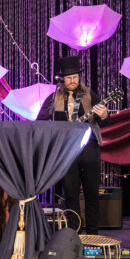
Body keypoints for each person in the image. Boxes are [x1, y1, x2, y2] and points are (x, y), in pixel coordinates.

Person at [37, 55, 110, 235]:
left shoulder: (90, 95)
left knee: (92, 192)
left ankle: (93, 234)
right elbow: (40, 122)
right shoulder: (54, 98)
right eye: (69, 77)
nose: (72, 80)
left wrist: (104, 116)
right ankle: (73, 234)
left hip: (89, 150)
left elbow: (105, 123)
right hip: (66, 152)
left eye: (75, 77)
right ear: (62, 79)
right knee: (71, 195)